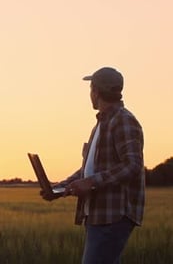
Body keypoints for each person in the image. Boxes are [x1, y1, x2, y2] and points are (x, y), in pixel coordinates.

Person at [40, 67, 145, 264]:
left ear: (96, 91)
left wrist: (91, 183)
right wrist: (59, 188)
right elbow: (89, 170)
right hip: (98, 214)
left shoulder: (123, 120)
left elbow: (133, 165)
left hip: (113, 214)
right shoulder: (102, 124)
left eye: (91, 89)